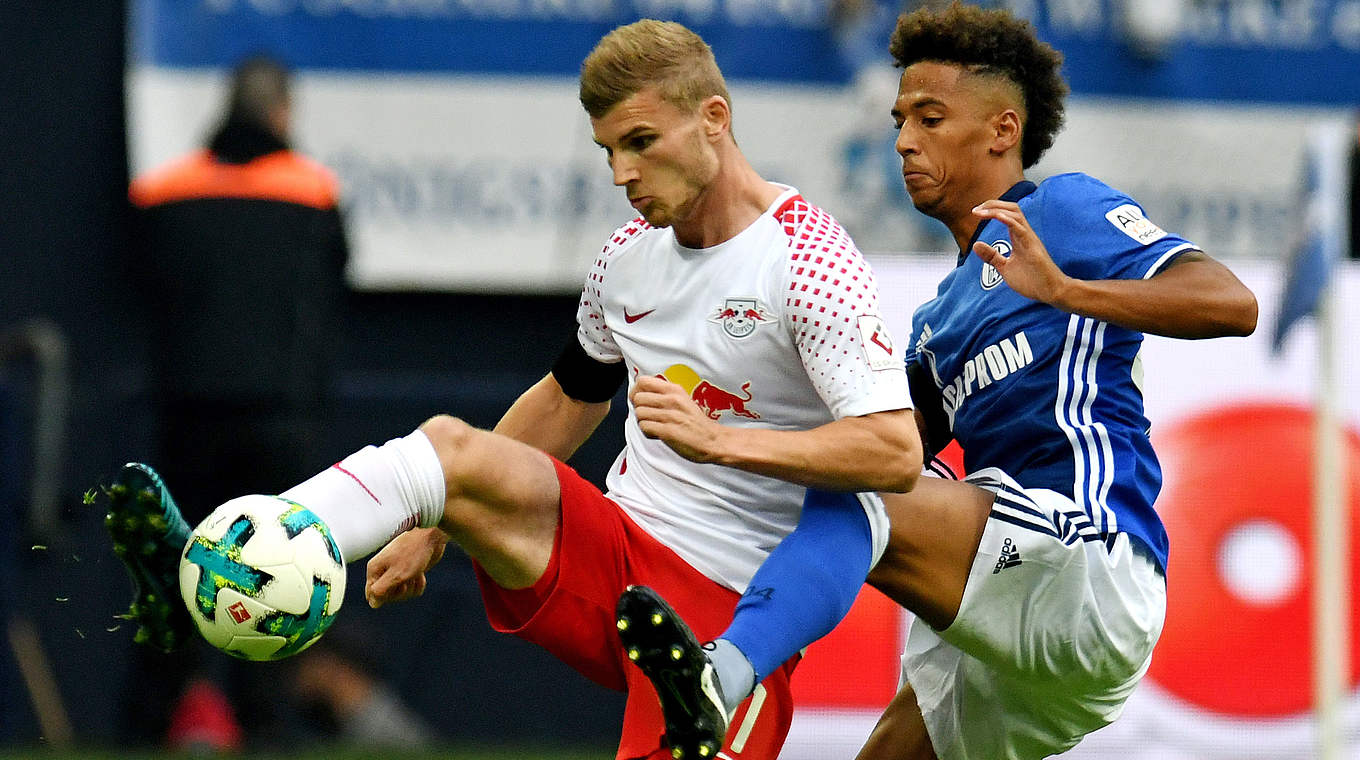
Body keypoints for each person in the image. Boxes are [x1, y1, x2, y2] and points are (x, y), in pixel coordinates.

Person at [104, 20, 920, 760]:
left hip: (725, 620)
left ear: (714, 117)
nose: (622, 173)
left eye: (640, 141)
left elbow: (893, 451)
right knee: (449, 450)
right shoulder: (627, 258)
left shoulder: (808, 258)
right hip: (613, 562)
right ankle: (232, 554)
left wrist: (721, 440)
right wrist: (436, 524)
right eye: (608, 151)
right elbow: (570, 398)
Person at [847, 4, 1258, 758]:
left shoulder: (1062, 212)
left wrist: (1067, 291)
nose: (904, 140)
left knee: (845, 498)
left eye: (930, 118)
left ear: (1002, 130)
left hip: (1084, 561)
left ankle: (733, 668)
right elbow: (885, 450)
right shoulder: (937, 323)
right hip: (1013, 619)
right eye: (901, 119)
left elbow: (1232, 305)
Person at [117, 54, 351, 748]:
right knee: (278, 571)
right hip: (278, 417)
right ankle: (263, 720)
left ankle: (157, 720)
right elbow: (330, 289)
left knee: (172, 570)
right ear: (281, 112)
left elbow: (140, 284)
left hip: (187, 412)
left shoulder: (165, 191)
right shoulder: (313, 192)